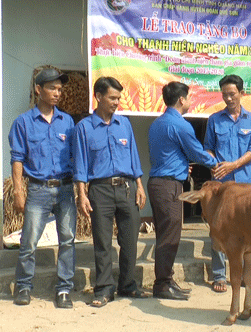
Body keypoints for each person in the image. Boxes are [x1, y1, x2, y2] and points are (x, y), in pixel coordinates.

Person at [73, 77, 149, 307]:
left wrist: (140, 186)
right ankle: (104, 289)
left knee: (130, 240)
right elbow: (81, 164)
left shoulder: (124, 124)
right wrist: (82, 195)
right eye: (112, 98)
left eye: (119, 98)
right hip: (100, 190)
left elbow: (134, 156)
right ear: (98, 96)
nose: (117, 102)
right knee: (103, 242)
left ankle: (128, 285)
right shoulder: (84, 128)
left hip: (127, 188)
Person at [9, 68, 76, 308]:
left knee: (67, 240)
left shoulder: (67, 121)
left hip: (66, 190)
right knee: (29, 242)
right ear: (38, 90)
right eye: (52, 88)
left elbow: (75, 156)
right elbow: (17, 158)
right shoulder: (23, 123)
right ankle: (24, 286)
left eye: (60, 89)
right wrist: (19, 191)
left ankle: (64, 290)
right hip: (37, 190)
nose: (57, 93)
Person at [147, 82, 218, 300]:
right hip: (169, 186)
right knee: (170, 236)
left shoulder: (157, 123)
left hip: (159, 182)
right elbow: (196, 153)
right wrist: (217, 162)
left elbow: (168, 153)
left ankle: (166, 280)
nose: (190, 102)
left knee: (165, 234)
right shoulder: (181, 125)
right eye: (188, 98)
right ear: (181, 100)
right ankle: (162, 284)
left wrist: (180, 163)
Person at [204, 74, 251, 292]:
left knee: (250, 230)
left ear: (241, 93)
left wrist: (233, 165)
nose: (228, 99)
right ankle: (219, 276)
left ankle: (248, 276)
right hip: (220, 184)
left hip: (245, 185)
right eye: (224, 95)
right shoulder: (214, 119)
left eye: (232, 94)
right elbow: (208, 147)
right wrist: (213, 162)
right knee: (219, 230)